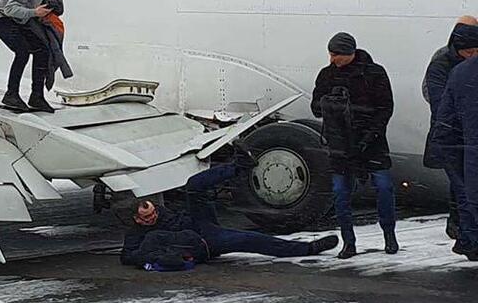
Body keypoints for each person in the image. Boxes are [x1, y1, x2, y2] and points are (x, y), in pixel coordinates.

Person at [120, 161, 338, 270]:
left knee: (194, 186)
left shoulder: (161, 214)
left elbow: (180, 215)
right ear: (137, 220)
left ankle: (239, 165)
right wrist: (159, 256)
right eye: (147, 218)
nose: (153, 218)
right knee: (249, 240)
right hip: (202, 242)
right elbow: (129, 257)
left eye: (154, 213)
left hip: (200, 225)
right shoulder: (137, 235)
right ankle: (308, 248)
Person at [311, 32, 396, 259]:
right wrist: (329, 103)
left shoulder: (374, 73)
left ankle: (389, 235)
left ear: (350, 53)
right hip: (340, 144)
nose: (332, 60)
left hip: (372, 142)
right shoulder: (327, 75)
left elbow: (385, 107)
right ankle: (349, 242)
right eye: (331, 54)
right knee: (340, 193)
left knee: (384, 188)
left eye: (336, 55)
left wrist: (370, 135)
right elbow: (315, 107)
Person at [422, 16, 478, 244]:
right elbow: (440, 105)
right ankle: (467, 237)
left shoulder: (460, 69)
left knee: (464, 193)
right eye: (471, 51)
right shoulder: (446, 66)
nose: (474, 56)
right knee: (464, 193)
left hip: (461, 139)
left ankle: (466, 237)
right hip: (457, 141)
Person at [0, 0, 66, 113]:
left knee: (43, 49)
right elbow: (9, 9)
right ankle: (11, 94)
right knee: (22, 52)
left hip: (20, 19)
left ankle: (36, 96)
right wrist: (34, 12)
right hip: (1, 19)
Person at [431, 53, 478, 261]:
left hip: (467, 153)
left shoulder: (461, 72)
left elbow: (445, 120)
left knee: (468, 200)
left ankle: (471, 241)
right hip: (466, 151)